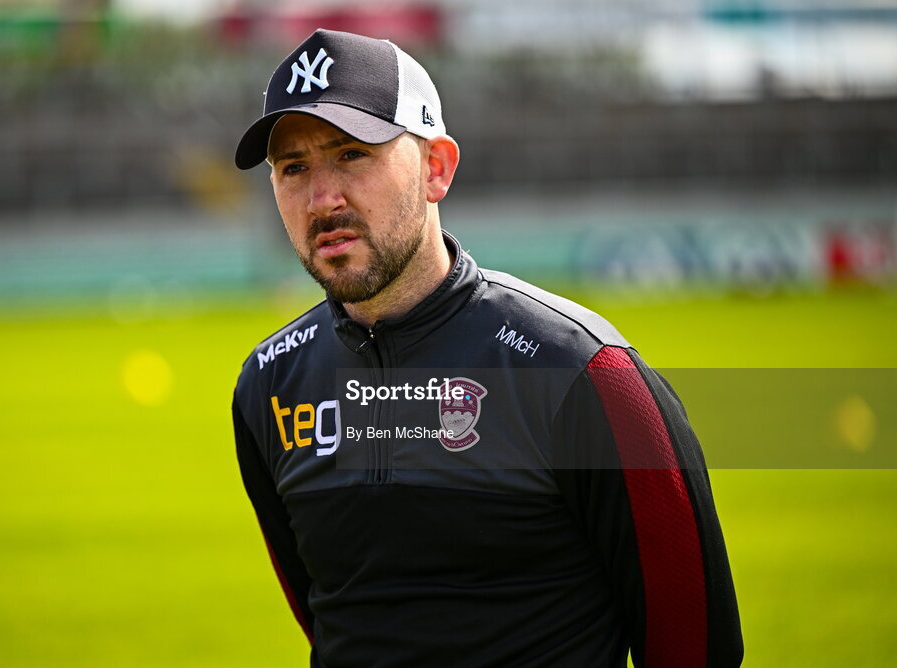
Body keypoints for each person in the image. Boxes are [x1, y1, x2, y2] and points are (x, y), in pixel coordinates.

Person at [231, 29, 742, 668]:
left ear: (436, 169)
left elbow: (694, 644)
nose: (322, 198)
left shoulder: (579, 372)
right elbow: (326, 616)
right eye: (293, 168)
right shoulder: (270, 387)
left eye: (353, 154)